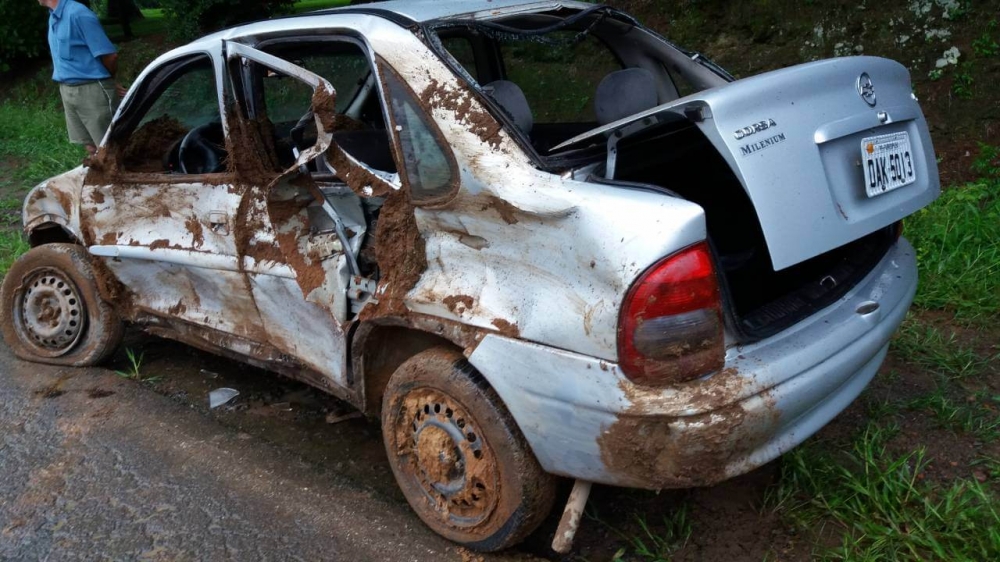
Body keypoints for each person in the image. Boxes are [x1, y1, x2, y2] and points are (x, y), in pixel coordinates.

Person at [38, 0, 124, 159]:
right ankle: (102, 181)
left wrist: (109, 82)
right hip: (67, 90)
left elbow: (110, 56)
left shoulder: (79, 14)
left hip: (91, 90)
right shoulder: (53, 17)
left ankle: (124, 181)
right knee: (91, 147)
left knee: (109, 149)